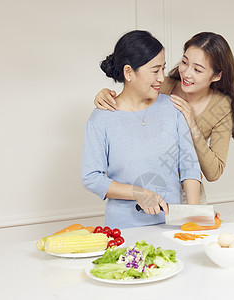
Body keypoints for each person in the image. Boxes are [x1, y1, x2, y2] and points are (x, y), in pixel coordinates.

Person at [94, 32, 234, 203]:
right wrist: (105, 95)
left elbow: (213, 172)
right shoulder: (160, 85)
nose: (186, 73)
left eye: (197, 70)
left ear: (216, 76)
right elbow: (130, 97)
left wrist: (193, 127)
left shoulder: (220, 107)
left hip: (188, 194)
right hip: (146, 191)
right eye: (184, 62)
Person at [81, 30, 201, 229]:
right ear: (129, 72)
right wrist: (139, 193)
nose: (161, 78)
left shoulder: (173, 108)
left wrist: (194, 218)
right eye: (155, 71)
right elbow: (92, 178)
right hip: (125, 230)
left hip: (172, 226)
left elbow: (190, 166)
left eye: (163, 69)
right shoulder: (101, 118)